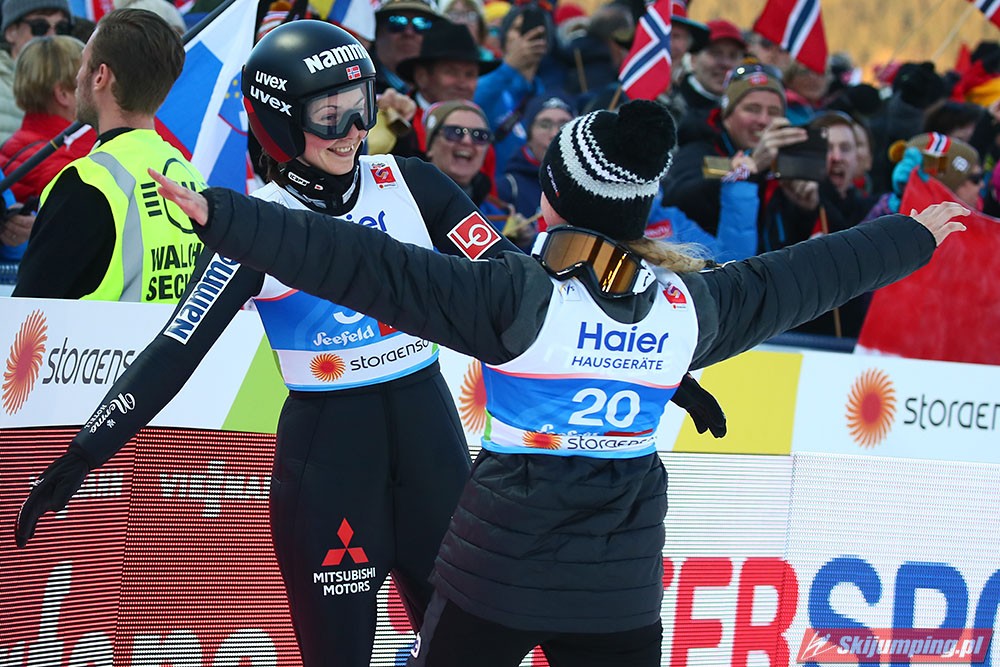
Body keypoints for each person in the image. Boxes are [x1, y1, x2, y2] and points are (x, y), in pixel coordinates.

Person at [128, 100, 960, 666]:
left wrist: (230, 216)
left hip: (494, 579)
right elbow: (800, 276)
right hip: (617, 596)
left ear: (553, 197)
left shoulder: (516, 298)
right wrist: (910, 237)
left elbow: (363, 263)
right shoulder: (687, 307)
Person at [10, 20, 720, 667]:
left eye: (363, 106)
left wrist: (662, 371)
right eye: (330, 114)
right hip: (331, 466)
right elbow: (175, 351)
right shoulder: (257, 226)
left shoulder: (415, 185)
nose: (353, 130)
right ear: (279, 120)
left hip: (431, 448)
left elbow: (529, 300)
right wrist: (84, 452)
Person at [11, 8, 206, 301]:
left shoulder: (87, 181)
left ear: (100, 76)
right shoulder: (191, 175)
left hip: (92, 334)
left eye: (83, 63)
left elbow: (28, 313)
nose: (77, 76)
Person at [0, 34, 96, 204]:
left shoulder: (16, 144)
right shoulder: (63, 162)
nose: (99, 87)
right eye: (90, 80)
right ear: (63, 94)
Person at [0, 0, 75, 142]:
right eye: (39, 27)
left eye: (62, 28)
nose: (52, 36)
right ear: (11, 32)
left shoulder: (76, 84)